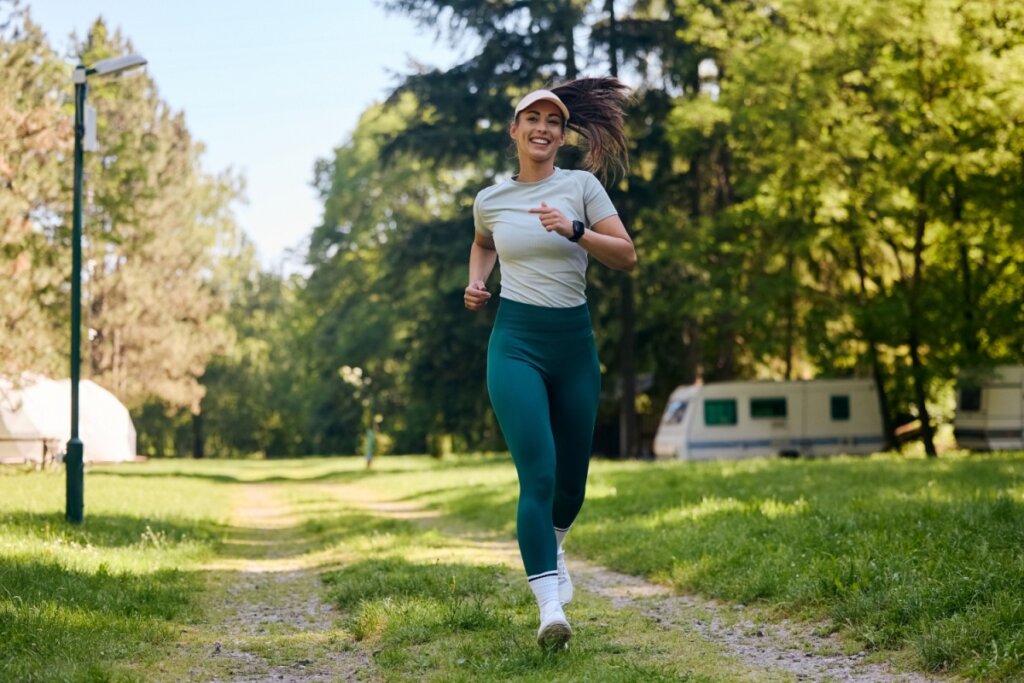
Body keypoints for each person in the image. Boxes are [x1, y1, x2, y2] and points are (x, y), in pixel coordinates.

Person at [464, 77, 636, 651]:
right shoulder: (490, 199)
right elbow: (484, 240)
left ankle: (553, 544)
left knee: (571, 484)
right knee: (536, 474)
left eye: (554, 122)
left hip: (573, 346)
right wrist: (476, 281)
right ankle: (549, 608)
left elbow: (627, 256)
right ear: (514, 130)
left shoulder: (581, 187)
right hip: (515, 343)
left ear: (562, 135)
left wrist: (576, 230)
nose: (542, 128)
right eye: (532, 119)